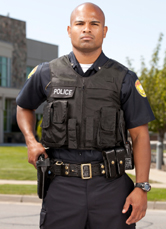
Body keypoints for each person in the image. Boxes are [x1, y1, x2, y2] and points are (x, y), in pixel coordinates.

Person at [16, 2, 155, 229]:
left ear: (105, 31)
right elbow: (23, 106)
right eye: (80, 23)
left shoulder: (124, 78)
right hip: (62, 187)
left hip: (112, 189)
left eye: (94, 24)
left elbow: (140, 136)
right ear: (69, 30)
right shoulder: (46, 72)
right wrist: (31, 142)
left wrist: (142, 187)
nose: (87, 29)